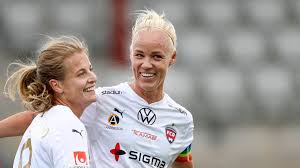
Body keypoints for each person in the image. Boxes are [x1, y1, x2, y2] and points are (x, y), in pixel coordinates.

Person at [0, 9, 194, 168]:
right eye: (139, 55)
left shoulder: (182, 120)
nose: (146, 64)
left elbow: (183, 162)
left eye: (157, 56)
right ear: (130, 54)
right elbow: (40, 117)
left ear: (173, 58)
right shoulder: (100, 100)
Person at [3, 36, 97, 167]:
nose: (93, 77)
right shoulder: (67, 124)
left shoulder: (42, 119)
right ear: (56, 85)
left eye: (90, 69)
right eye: (81, 73)